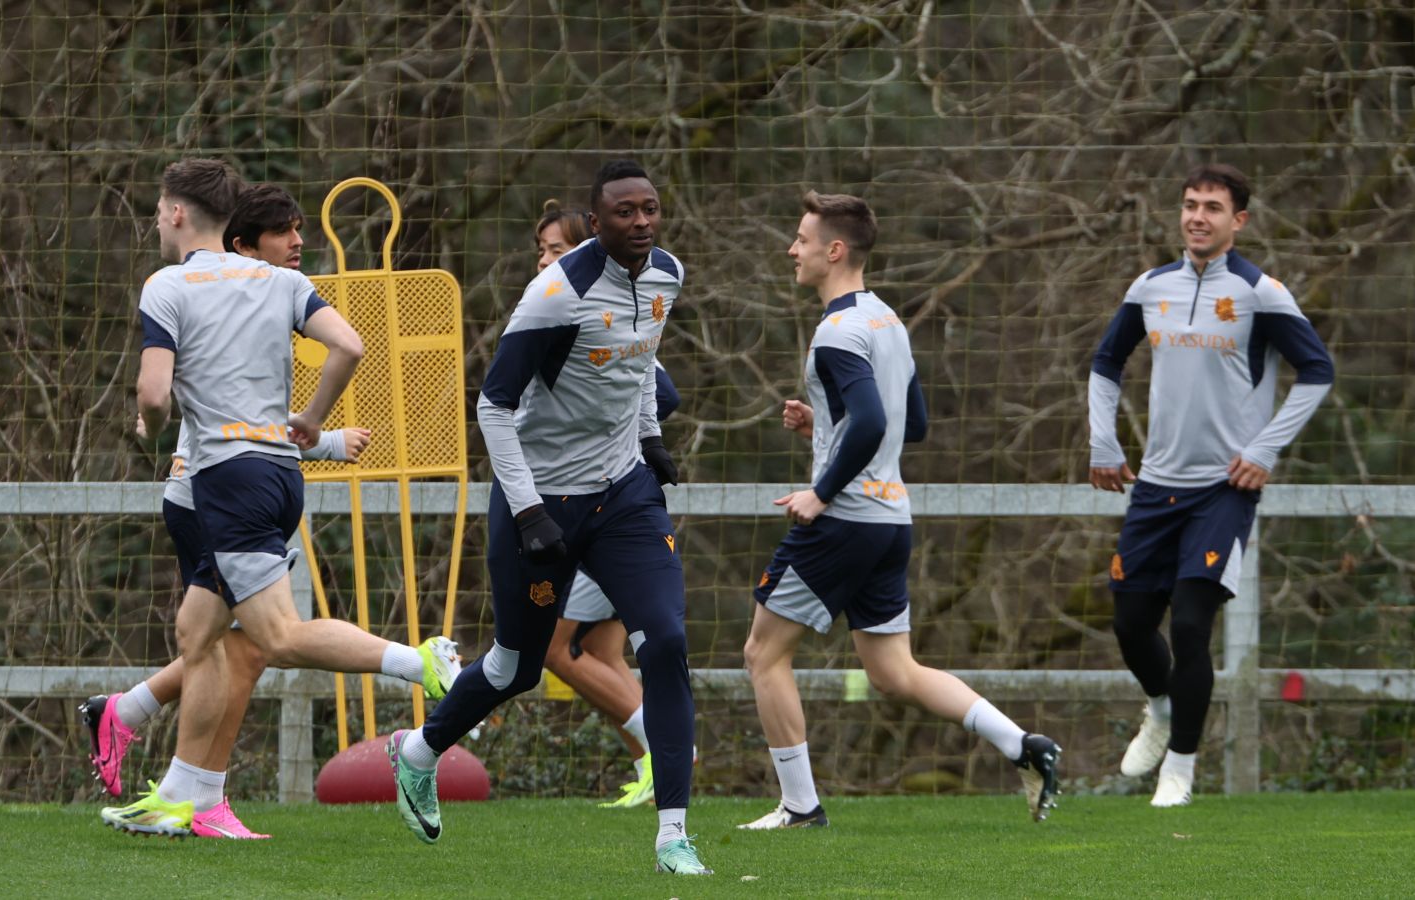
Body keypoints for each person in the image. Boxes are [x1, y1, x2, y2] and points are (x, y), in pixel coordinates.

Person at [100, 159, 456, 838]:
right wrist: (313, 419)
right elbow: (349, 345)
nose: (155, 218)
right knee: (197, 635)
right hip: (276, 472)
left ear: (177, 213)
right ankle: (188, 798)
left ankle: (420, 663)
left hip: (226, 476)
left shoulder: (168, 286)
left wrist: (148, 416)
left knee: (278, 638)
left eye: (157, 208)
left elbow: (152, 389)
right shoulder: (284, 282)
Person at [387, 161, 711, 875]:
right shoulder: (554, 293)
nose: (641, 222)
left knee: (666, 640)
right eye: (624, 212)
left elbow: (638, 367)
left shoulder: (667, 274)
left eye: (650, 209)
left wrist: (650, 442)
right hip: (539, 501)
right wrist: (529, 510)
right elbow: (493, 406)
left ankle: (673, 837)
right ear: (594, 225)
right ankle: (417, 753)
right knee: (516, 665)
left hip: (623, 495)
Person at [740, 191, 1063, 830]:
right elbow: (910, 422)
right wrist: (823, 425)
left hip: (844, 522)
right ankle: (1022, 745)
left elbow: (872, 422)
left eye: (802, 239)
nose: (791, 250)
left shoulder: (837, 332)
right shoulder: (888, 320)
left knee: (761, 654)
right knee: (893, 672)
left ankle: (801, 807)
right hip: (890, 524)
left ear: (834, 251)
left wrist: (820, 491)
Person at [1089, 163, 1333, 806]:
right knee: (1131, 623)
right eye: (1191, 204)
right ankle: (1163, 710)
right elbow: (1106, 362)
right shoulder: (1151, 287)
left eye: (1214, 208)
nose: (1199, 216)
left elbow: (1318, 371)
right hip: (1155, 484)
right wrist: (1103, 442)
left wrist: (1264, 450)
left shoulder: (1262, 293)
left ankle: (1181, 769)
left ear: (1238, 221)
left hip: (1223, 489)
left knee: (1193, 624)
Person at [531, 199, 681, 809]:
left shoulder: (609, 316)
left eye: (556, 250)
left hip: (609, 501)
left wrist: (608, 434)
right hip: (592, 495)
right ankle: (654, 761)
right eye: (539, 250)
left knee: (551, 646)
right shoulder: (555, 313)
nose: (544, 260)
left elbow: (662, 392)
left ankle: (667, 748)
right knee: (598, 651)